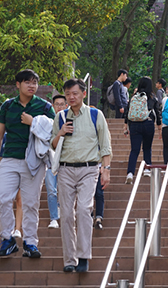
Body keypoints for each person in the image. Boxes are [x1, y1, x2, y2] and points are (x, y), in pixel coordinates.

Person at [51, 78, 112, 272]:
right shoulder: (60, 117)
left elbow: (105, 144)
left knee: (84, 209)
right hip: (65, 169)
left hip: (89, 168)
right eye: (68, 94)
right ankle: (70, 259)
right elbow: (52, 145)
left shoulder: (96, 114)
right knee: (67, 214)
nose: (71, 97)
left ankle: (83, 256)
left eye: (75, 93)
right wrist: (60, 133)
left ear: (84, 94)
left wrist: (106, 169)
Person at [0, 69, 55, 258]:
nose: (32, 86)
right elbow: (0, 135)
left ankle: (30, 243)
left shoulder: (45, 107)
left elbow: (55, 133)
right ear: (18, 85)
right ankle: (7, 238)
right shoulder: (7, 106)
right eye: (27, 82)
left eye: (34, 82)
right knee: (3, 198)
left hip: (34, 161)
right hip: (9, 158)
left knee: (31, 203)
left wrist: (34, 123)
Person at [124, 76, 162, 183]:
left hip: (134, 125)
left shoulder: (134, 97)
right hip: (148, 124)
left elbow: (128, 112)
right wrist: (159, 128)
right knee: (147, 148)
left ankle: (130, 173)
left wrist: (125, 125)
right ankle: (147, 169)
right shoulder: (152, 97)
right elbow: (157, 113)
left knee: (134, 150)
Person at [46, 94, 68, 229]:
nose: (59, 107)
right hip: (49, 160)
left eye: (62, 104)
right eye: (56, 104)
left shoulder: (69, 119)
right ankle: (53, 218)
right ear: (52, 106)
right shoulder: (47, 121)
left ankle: (62, 210)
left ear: (66, 106)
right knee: (51, 190)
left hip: (65, 161)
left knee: (64, 190)